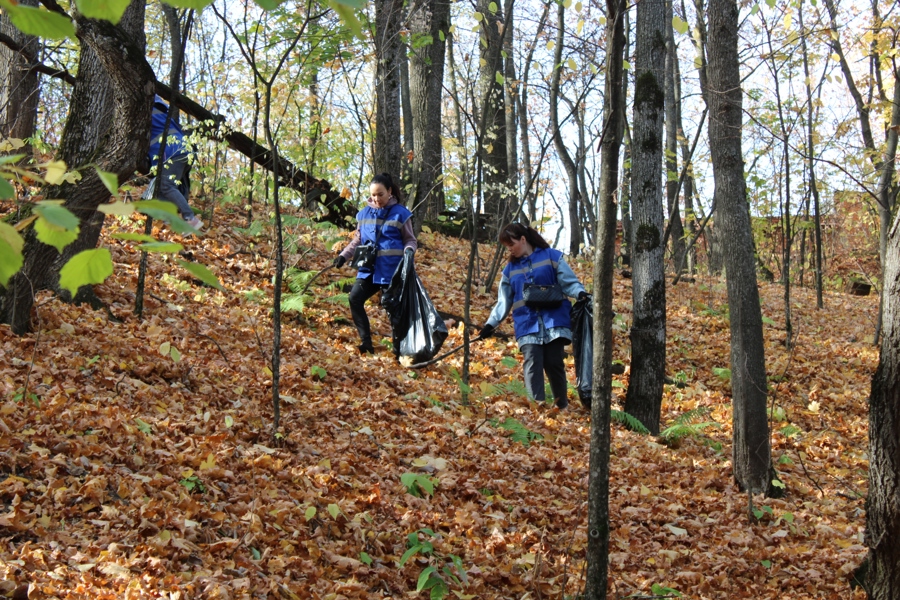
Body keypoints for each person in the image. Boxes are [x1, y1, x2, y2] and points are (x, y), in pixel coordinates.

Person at [479, 223, 588, 410]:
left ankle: (561, 407)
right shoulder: (509, 270)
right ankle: (537, 409)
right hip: (526, 323)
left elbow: (569, 282)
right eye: (506, 246)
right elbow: (503, 301)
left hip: (554, 321)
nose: (510, 249)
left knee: (554, 362)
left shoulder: (552, 257)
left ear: (523, 239)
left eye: (511, 244)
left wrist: (580, 294)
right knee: (532, 363)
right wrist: (490, 324)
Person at [333, 173, 417, 354]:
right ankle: (366, 343)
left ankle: (398, 351)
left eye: (380, 194)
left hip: (392, 271)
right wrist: (343, 256)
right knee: (355, 298)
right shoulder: (363, 214)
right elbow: (357, 241)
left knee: (393, 310)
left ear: (390, 192)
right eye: (373, 195)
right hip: (369, 269)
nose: (376, 198)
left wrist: (409, 251)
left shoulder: (401, 214)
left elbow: (410, 240)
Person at [148, 95, 203, 230]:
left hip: (172, 152)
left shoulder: (148, 114)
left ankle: (191, 219)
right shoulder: (164, 116)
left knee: (166, 185)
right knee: (161, 189)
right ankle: (167, 223)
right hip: (185, 150)